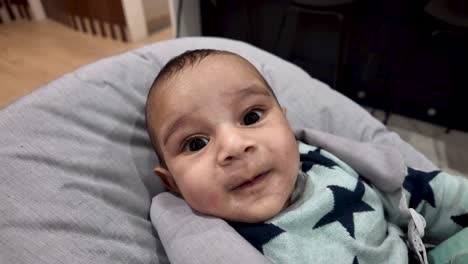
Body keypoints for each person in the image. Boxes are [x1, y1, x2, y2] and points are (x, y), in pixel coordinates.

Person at [145, 49, 468, 263]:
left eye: (252, 117)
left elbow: (420, 191)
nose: (234, 146)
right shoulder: (214, 238)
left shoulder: (326, 160)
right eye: (195, 143)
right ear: (172, 183)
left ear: (287, 124)